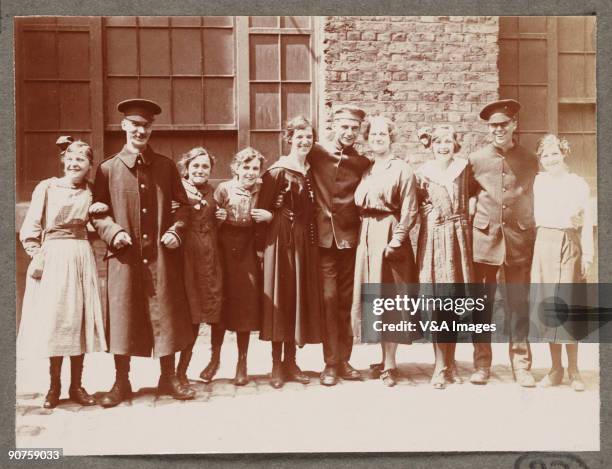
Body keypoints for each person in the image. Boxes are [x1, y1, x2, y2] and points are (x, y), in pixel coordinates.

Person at [91, 99, 196, 407]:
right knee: (124, 316)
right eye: (135, 125)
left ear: (152, 129)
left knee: (167, 314)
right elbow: (97, 213)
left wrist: (176, 230)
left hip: (162, 257)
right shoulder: (108, 169)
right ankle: (121, 382)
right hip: (124, 257)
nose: (141, 130)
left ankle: (168, 378)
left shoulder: (165, 166)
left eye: (146, 126)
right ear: (124, 126)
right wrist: (114, 231)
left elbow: (183, 207)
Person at [18, 137, 107, 408]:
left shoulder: (92, 193)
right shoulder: (47, 188)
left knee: (78, 320)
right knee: (57, 322)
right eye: (69, 158)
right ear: (63, 161)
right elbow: (32, 226)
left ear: (89, 166)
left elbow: (97, 225)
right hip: (53, 256)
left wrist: (99, 212)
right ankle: (54, 386)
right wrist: (38, 255)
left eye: (80, 159)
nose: (73, 163)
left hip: (80, 255)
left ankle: (77, 385)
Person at [467, 99, 539, 387]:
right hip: (485, 241)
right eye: (493, 126)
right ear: (488, 129)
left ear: (514, 126)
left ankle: (521, 364)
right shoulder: (476, 160)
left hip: (518, 240)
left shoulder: (530, 159)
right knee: (481, 305)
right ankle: (482, 364)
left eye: (503, 125)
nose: (498, 130)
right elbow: (468, 197)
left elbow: (536, 196)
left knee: (518, 304)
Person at [350, 116, 419, 387]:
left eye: (383, 134)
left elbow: (410, 208)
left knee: (390, 297)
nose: (378, 138)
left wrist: (398, 239)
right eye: (373, 134)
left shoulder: (401, 169)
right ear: (367, 138)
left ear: (391, 138)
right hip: (367, 236)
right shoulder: (366, 170)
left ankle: (390, 364)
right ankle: (382, 357)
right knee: (374, 296)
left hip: (389, 236)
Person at [258, 116, 323, 389]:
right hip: (280, 240)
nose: (304, 141)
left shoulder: (311, 170)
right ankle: (276, 364)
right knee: (281, 299)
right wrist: (263, 249)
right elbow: (262, 210)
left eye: (308, 136)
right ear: (289, 139)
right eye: (299, 136)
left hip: (304, 242)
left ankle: (291, 362)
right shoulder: (277, 171)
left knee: (297, 299)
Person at [308, 105, 371, 386]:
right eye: (344, 127)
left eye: (354, 128)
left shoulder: (361, 162)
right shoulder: (317, 152)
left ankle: (343, 360)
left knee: (346, 300)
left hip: (349, 239)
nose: (349, 133)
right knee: (329, 299)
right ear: (334, 125)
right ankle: (330, 363)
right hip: (321, 240)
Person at [199, 148, 271, 386]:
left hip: (249, 246)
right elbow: (209, 219)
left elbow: (271, 214)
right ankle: (214, 358)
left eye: (255, 168)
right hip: (225, 246)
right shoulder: (224, 189)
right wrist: (217, 219)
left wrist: (266, 217)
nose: (250, 173)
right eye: (246, 167)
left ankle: (242, 362)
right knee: (222, 302)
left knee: (245, 305)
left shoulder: (262, 190)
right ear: (236, 168)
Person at [530, 135, 593, 392]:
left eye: (554, 154)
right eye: (545, 156)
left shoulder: (577, 184)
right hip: (544, 242)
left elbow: (586, 221)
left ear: (563, 153)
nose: (550, 159)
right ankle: (555, 369)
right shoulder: (539, 182)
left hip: (569, 243)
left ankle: (574, 370)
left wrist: (587, 255)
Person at [416, 125, 474, 389]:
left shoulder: (465, 169)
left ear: (455, 144)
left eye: (448, 141)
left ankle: (450, 364)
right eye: (438, 142)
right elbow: (413, 205)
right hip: (435, 239)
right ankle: (439, 366)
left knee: (454, 301)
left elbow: (476, 195)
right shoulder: (423, 174)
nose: (443, 146)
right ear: (431, 145)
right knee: (439, 302)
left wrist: (470, 207)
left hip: (460, 239)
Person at [174, 147, 224, 386]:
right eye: (196, 165)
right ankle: (181, 370)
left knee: (216, 308)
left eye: (205, 166)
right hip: (187, 259)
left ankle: (215, 360)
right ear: (186, 167)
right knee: (191, 315)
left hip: (212, 257)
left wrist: (222, 217)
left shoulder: (214, 192)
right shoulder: (178, 190)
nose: (200, 170)